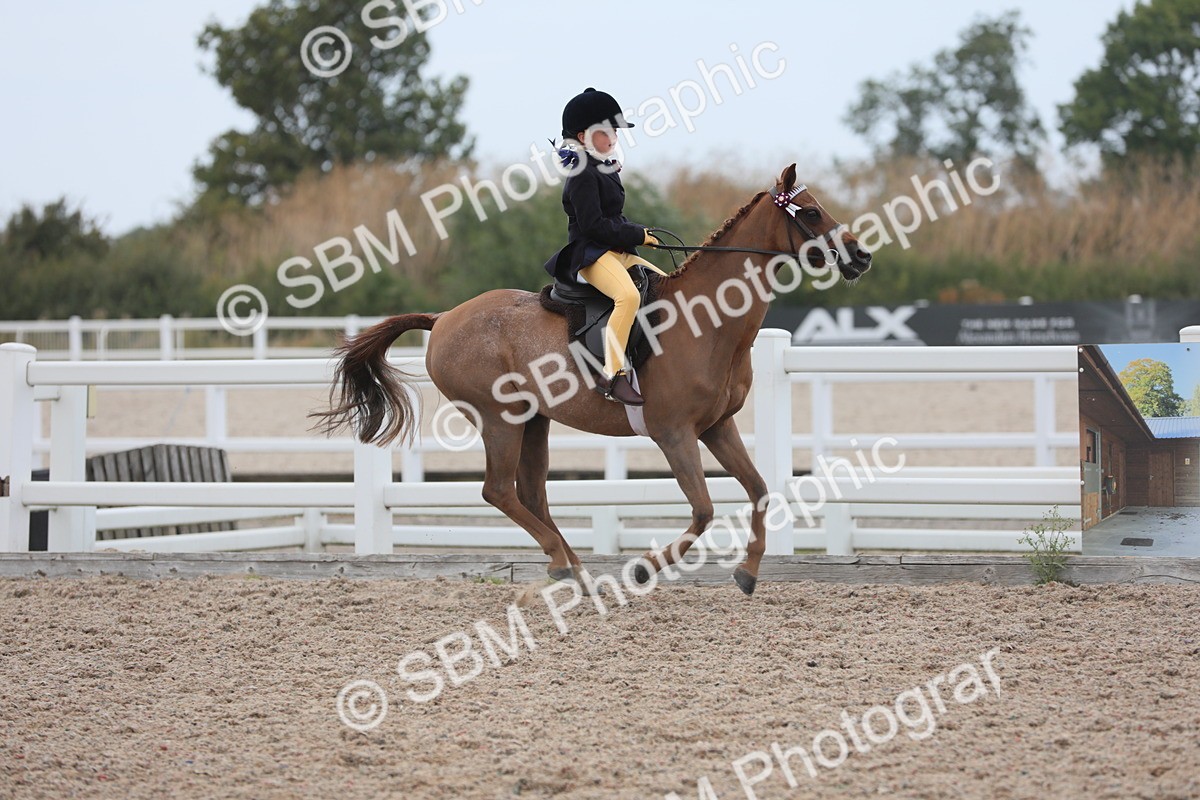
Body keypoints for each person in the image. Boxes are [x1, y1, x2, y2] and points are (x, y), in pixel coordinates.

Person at [543, 87, 668, 407]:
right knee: (627, 296)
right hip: (591, 253)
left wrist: (642, 234)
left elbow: (614, 217)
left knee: (667, 284)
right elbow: (593, 226)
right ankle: (613, 374)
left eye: (615, 131)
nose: (613, 137)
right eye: (606, 131)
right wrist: (635, 235)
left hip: (615, 251)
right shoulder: (582, 174)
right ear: (583, 137)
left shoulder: (604, 166)